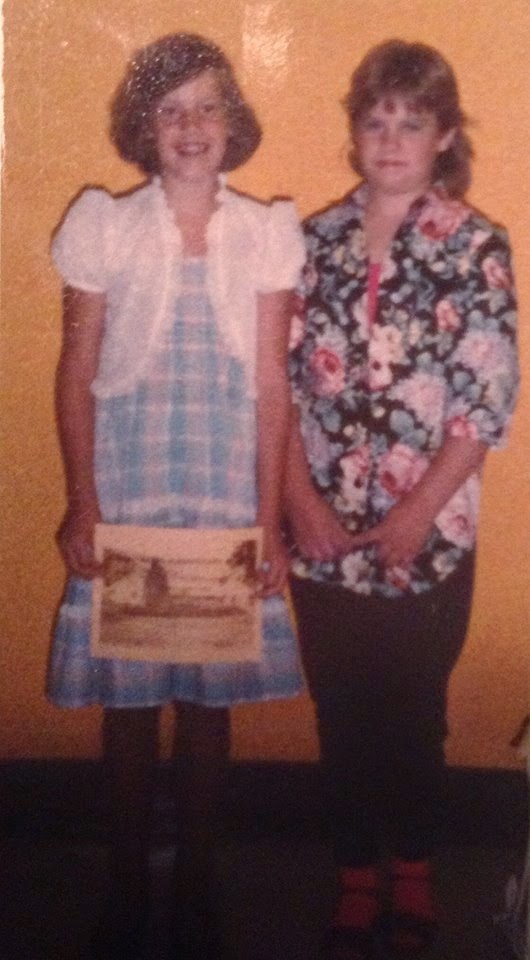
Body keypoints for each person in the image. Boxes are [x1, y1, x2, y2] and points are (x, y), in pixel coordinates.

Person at [49, 32, 305, 959]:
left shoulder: (266, 232)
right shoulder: (106, 225)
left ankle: (195, 885)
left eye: (206, 107)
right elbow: (76, 371)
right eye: (170, 110)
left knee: (207, 702)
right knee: (128, 704)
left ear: (232, 121)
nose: (190, 126)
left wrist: (270, 517)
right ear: (143, 127)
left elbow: (272, 385)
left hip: (225, 488)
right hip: (130, 486)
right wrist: (83, 501)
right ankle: (127, 887)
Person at [286, 39, 518, 960]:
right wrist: (299, 503)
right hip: (322, 532)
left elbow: (486, 399)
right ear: (354, 132)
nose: (390, 139)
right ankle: (353, 877)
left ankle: (414, 874)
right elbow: (278, 390)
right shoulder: (310, 243)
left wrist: (418, 512)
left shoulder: (474, 246)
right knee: (341, 712)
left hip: (431, 533)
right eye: (375, 121)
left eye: (411, 122)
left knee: (415, 713)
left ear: (443, 135)